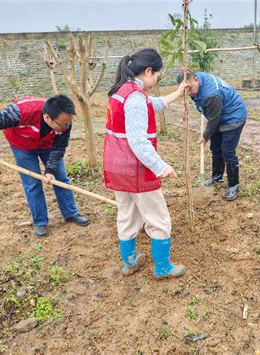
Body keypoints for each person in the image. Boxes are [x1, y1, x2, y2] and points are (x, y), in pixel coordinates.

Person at [104, 48, 188, 279]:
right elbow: (138, 141)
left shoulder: (120, 91)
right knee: (158, 217)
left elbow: (154, 104)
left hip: (116, 167)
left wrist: (178, 93)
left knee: (127, 214)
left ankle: (129, 263)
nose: (156, 82)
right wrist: (161, 166)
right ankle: (162, 267)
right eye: (157, 77)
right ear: (148, 71)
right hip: (136, 169)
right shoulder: (135, 98)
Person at [0, 95, 89, 237]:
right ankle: (40, 222)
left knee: (61, 178)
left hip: (48, 145)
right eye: (62, 124)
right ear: (47, 117)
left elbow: (59, 147)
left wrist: (50, 169)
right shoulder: (19, 112)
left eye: (68, 123)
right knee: (32, 184)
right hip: (22, 146)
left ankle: (70, 213)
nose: (66, 127)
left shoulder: (65, 122)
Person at [177, 71, 247, 200]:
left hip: (233, 116)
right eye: (185, 91)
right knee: (215, 148)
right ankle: (217, 176)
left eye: (191, 89)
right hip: (218, 113)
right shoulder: (195, 78)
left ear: (197, 81)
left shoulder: (211, 95)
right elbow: (212, 116)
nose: (189, 94)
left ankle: (233, 186)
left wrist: (205, 136)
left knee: (227, 151)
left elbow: (213, 120)